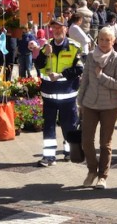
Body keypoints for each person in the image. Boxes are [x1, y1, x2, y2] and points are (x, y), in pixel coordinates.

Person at [77, 26, 117, 189]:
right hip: (90, 103)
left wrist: (101, 76)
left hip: (109, 106)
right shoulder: (91, 57)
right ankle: (92, 170)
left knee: (105, 143)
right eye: (102, 39)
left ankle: (103, 176)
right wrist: (80, 100)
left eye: (108, 40)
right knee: (86, 141)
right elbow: (85, 80)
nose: (104, 43)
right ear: (97, 40)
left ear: (114, 42)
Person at [31, 19, 84, 166]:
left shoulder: (74, 47)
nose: (56, 31)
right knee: (48, 126)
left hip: (67, 94)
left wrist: (60, 75)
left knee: (70, 125)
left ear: (66, 29)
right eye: (54, 28)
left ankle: (70, 152)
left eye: (59, 28)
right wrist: (42, 55)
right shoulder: (46, 46)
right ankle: (49, 157)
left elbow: (79, 69)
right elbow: (39, 65)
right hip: (49, 94)